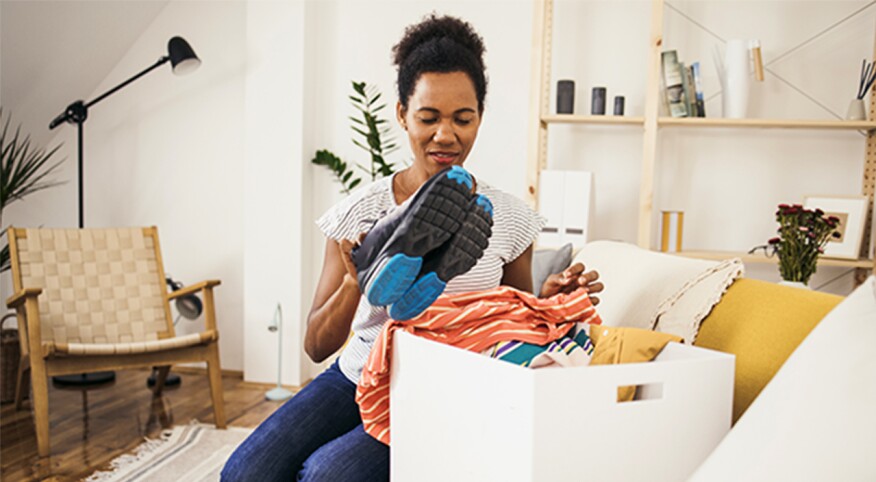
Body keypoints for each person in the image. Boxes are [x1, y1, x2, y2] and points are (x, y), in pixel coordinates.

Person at [221, 14, 603, 482]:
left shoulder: (509, 219)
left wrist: (549, 298)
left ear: (480, 117)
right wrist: (352, 283)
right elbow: (317, 346)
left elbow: (514, 327)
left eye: (463, 118)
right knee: (244, 473)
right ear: (401, 114)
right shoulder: (359, 210)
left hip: (446, 389)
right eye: (429, 117)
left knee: (323, 477)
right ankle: (393, 257)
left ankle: (420, 271)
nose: (446, 135)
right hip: (358, 369)